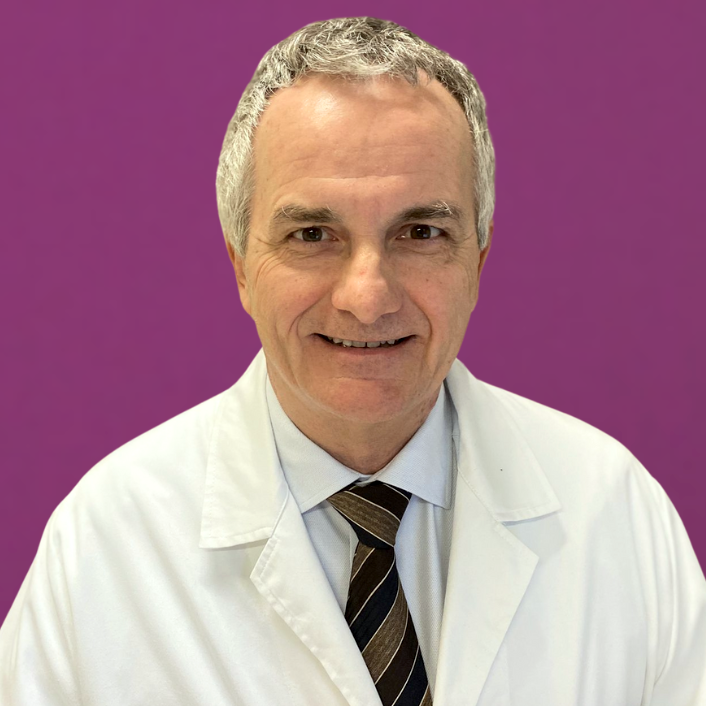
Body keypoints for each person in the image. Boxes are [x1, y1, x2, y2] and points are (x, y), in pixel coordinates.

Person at [1, 16, 704, 706]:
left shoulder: (613, 513)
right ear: (241, 266)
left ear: (478, 262)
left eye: (420, 232)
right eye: (313, 234)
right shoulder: (107, 546)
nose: (367, 299)